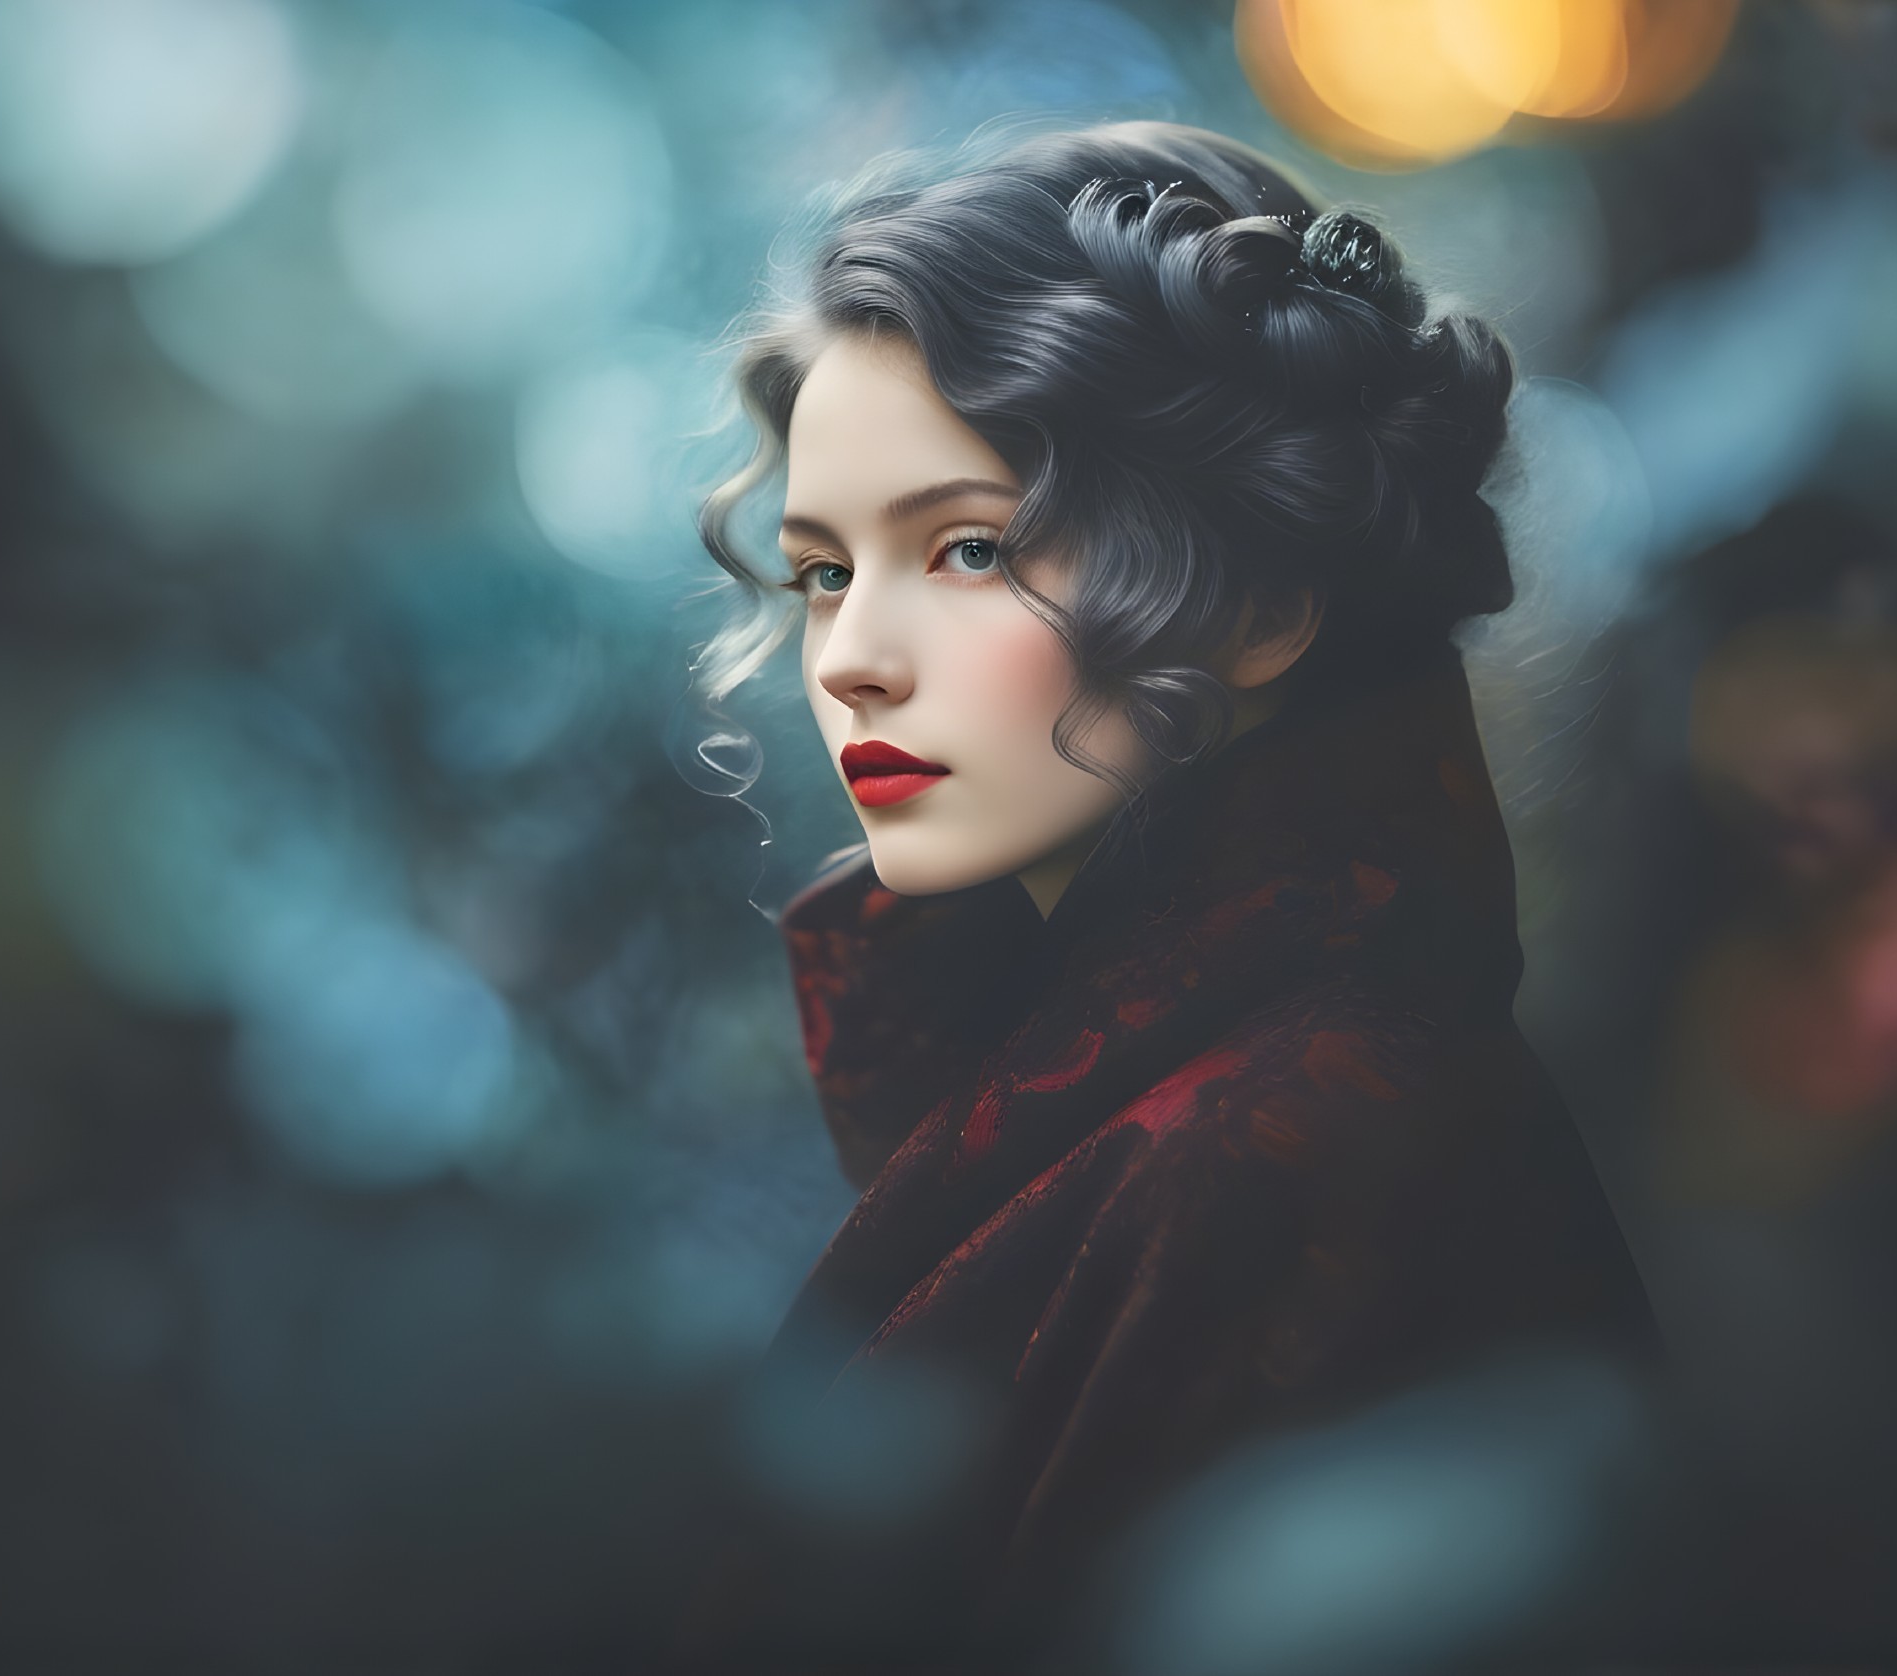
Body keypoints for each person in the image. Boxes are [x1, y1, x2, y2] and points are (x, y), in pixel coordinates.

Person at [671, 121, 1662, 1667]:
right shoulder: (1127, 1069)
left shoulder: (1301, 1134)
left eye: (968, 546)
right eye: (819, 570)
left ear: (1259, 599)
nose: (849, 655)